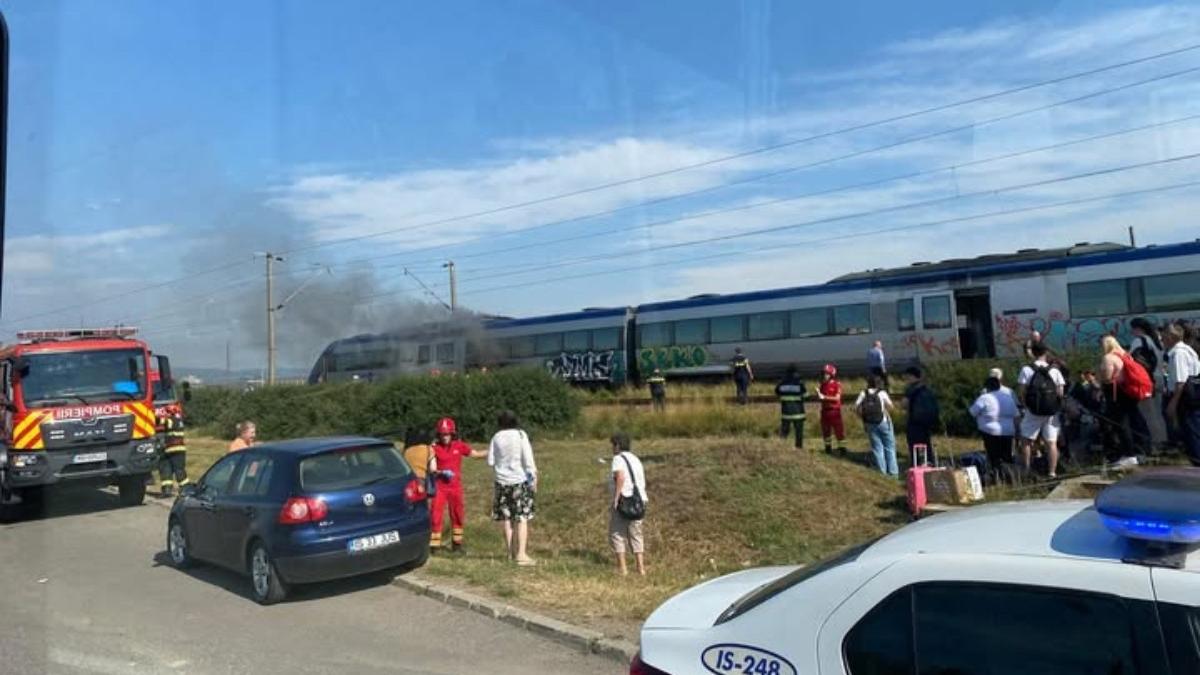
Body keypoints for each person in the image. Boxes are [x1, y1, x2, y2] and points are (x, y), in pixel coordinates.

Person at [487, 410, 538, 565]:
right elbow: (528, 460)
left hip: (501, 482)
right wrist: (534, 478)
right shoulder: (521, 435)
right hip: (518, 481)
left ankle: (510, 552)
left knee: (507, 518)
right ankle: (521, 554)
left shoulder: (496, 437)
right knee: (522, 517)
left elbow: (490, 461)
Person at [430, 416, 487, 554]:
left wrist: (495, 451)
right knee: (436, 514)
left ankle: (457, 545)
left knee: (457, 514)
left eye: (448, 434)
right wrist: (441, 472)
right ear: (439, 434)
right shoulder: (433, 448)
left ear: (452, 433)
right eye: (443, 434)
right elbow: (432, 469)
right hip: (440, 486)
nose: (445, 437)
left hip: (455, 487)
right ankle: (434, 546)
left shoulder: (459, 446)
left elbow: (476, 454)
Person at [1017, 343, 1066, 478]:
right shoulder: (1055, 371)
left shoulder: (1026, 370)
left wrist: (1026, 405)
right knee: (1051, 443)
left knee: (1026, 440)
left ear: (1032, 352)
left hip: (1032, 411)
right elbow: (1060, 392)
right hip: (1051, 412)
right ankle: (1052, 472)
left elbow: (1021, 392)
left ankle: (1026, 470)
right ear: (1046, 352)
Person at [1099, 335, 1147, 461]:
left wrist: (1100, 380)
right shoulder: (1126, 355)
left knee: (1120, 424)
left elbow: (1107, 377)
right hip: (1129, 392)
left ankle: (1128, 454)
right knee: (1133, 420)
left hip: (1115, 393)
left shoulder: (1109, 358)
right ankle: (1141, 449)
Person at [608, 431, 647, 576]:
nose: (612, 448)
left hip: (625, 501)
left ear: (617, 445)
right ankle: (641, 568)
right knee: (636, 534)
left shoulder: (618, 459)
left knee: (617, 533)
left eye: (613, 445)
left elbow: (620, 476)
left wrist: (616, 498)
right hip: (640, 501)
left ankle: (623, 569)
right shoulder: (636, 459)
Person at [1163, 324, 1200, 466]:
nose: (1162, 338)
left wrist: (1173, 403)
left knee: (1191, 431)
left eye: (1165, 335)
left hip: (1185, 397)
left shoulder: (1178, 354)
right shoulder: (1186, 350)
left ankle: (1197, 463)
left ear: (1171, 337)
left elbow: (1181, 381)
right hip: (1192, 395)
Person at [1129, 317, 1168, 450]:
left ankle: (1156, 443)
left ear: (1137, 329)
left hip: (1146, 381)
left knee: (1148, 413)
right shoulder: (1156, 341)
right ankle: (1163, 439)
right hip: (1159, 378)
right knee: (1158, 412)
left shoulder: (1139, 341)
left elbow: (1132, 361)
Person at [970, 369, 1018, 470]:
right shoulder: (1008, 397)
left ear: (987, 387)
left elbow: (972, 412)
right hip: (1008, 431)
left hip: (990, 431)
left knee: (994, 455)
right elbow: (1016, 414)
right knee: (1007, 455)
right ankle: (1008, 474)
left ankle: (995, 473)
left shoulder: (985, 397)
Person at [855, 375, 898, 476]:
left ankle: (882, 472)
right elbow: (891, 407)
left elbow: (856, 407)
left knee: (877, 448)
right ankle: (893, 472)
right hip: (883, 422)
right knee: (889, 447)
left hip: (870, 423)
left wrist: (863, 418)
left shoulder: (863, 393)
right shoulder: (882, 393)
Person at [902, 366, 940, 466]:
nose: (906, 380)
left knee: (914, 446)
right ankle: (930, 464)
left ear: (911, 376)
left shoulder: (910, 389)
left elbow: (904, 404)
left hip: (914, 423)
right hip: (926, 423)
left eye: (907, 377)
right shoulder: (926, 388)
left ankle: (917, 466)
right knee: (927, 444)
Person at [156, 409, 189, 497]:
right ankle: (183, 489)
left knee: (172, 470)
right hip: (177, 449)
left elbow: (159, 421)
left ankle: (182, 489)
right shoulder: (180, 420)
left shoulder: (170, 420)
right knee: (175, 469)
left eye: (167, 412)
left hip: (172, 449)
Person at [816, 364, 847, 455]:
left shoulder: (837, 385)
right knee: (826, 431)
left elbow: (837, 398)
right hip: (825, 411)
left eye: (826, 374)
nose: (824, 376)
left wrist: (824, 397)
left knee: (839, 431)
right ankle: (828, 448)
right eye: (823, 373)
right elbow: (821, 398)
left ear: (831, 375)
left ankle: (842, 449)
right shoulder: (823, 385)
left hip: (834, 411)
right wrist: (819, 396)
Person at [774, 365, 807, 449]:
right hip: (798, 412)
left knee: (784, 430)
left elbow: (777, 392)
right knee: (799, 431)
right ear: (796, 373)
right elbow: (806, 395)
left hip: (786, 412)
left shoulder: (781, 383)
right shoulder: (799, 383)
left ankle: (781, 447)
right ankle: (798, 447)